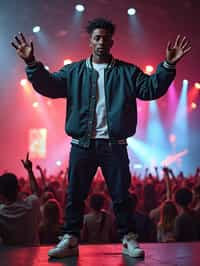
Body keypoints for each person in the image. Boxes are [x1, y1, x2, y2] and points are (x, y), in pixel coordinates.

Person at [11, 17, 191, 258]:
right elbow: (50, 87)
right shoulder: (74, 71)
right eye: (97, 38)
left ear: (112, 42)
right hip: (82, 144)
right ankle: (70, 238)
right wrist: (32, 63)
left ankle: (128, 238)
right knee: (75, 194)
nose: (101, 42)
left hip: (114, 145)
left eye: (105, 38)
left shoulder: (127, 72)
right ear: (90, 41)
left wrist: (167, 65)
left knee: (121, 196)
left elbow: (150, 89)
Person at [0, 153, 41, 245]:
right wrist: (30, 171)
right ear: (18, 188)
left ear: (1, 194)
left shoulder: (1, 214)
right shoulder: (31, 205)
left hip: (10, 258)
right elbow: (36, 192)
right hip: (34, 258)